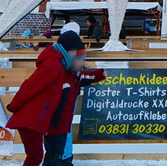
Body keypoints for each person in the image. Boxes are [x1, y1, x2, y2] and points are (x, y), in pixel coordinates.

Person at [6, 28, 105, 166]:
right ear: (69, 55)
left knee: (53, 155)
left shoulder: (70, 72)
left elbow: (82, 77)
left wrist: (99, 75)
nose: (82, 63)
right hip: (35, 121)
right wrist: (14, 106)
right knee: (36, 156)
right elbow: (30, 87)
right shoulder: (54, 66)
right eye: (79, 59)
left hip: (56, 123)